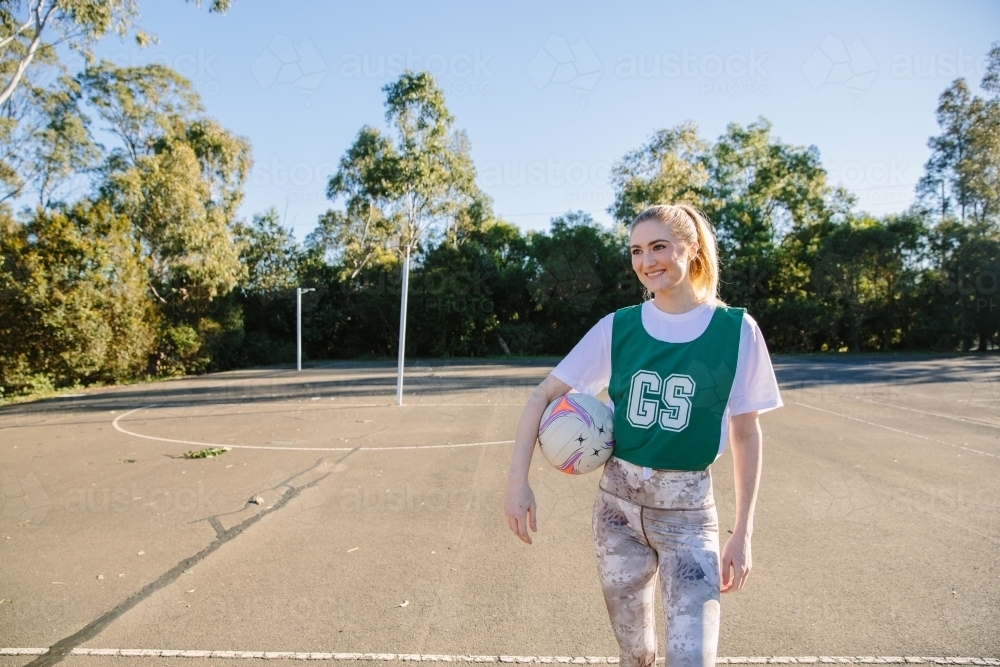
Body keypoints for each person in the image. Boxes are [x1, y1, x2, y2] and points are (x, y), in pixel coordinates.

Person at [503, 204, 782, 667]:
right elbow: (541, 397)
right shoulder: (619, 327)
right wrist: (517, 483)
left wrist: (744, 533)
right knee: (636, 656)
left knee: (693, 659)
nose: (646, 261)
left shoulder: (738, 330)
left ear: (691, 249)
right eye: (636, 250)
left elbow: (746, 433)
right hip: (617, 511)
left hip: (690, 517)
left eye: (658, 247)